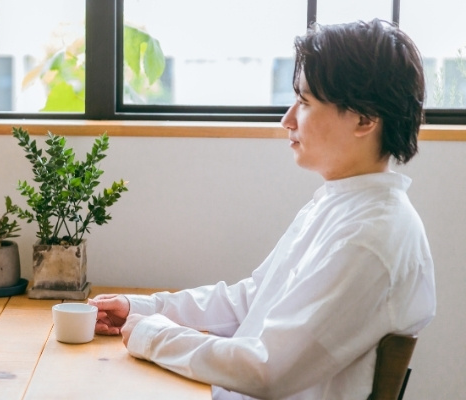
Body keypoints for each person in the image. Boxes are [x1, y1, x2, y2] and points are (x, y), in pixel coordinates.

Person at [89, 18, 436, 400]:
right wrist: (141, 307)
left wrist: (153, 335)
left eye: (305, 102)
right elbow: (250, 300)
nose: (287, 119)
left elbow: (267, 368)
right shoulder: (340, 204)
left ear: (365, 119)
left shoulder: (371, 238)